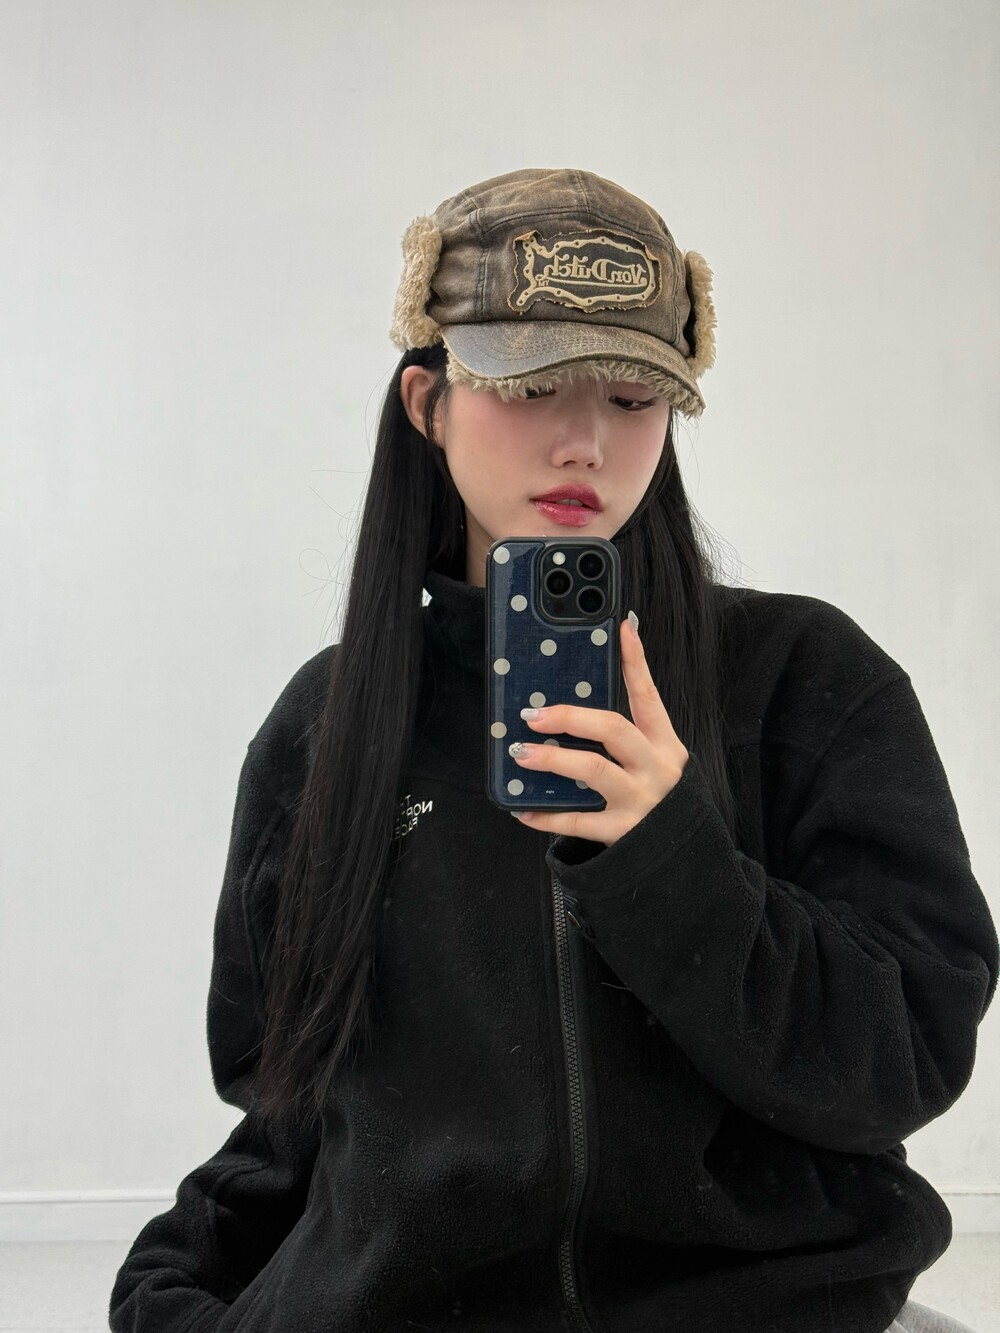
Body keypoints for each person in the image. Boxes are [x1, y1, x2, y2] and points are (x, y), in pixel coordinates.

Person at [108, 168, 996, 1332]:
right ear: (426, 402)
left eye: (633, 396)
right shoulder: (325, 731)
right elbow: (285, 1106)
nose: (584, 440)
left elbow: (902, 1058)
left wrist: (671, 861)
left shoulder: (805, 680)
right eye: (530, 386)